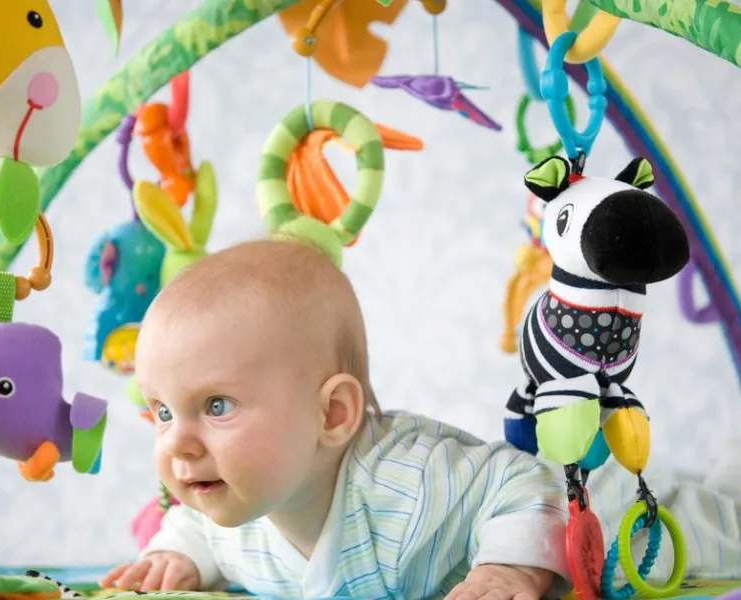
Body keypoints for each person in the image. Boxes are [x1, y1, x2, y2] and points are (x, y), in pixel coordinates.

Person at [100, 239, 572, 600]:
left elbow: (526, 483)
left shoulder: (408, 483)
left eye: (216, 406)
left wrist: (509, 567)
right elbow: (198, 527)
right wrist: (176, 557)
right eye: (164, 412)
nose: (177, 444)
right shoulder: (230, 510)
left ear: (332, 413)